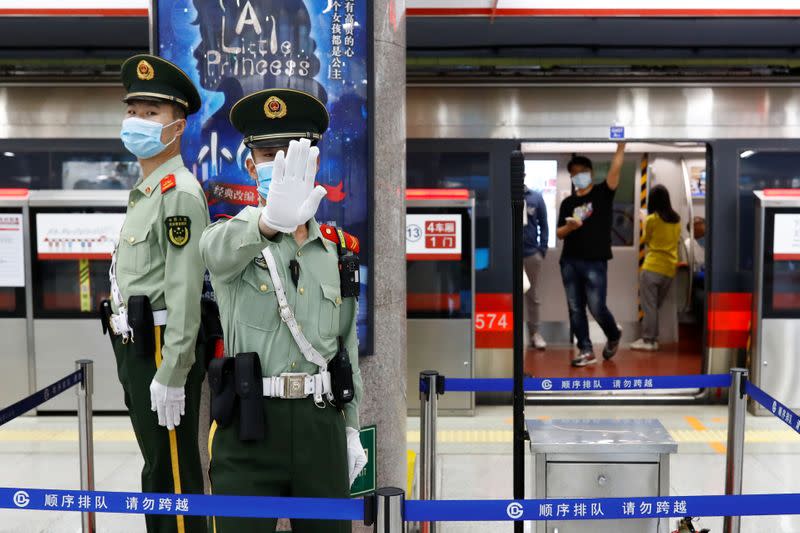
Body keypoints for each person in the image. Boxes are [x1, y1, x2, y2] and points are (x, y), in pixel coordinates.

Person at [200, 89, 366, 533]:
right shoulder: (232, 240)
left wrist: (351, 428)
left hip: (319, 424)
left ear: (313, 163)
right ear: (251, 166)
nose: (280, 163)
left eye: (293, 153)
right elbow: (212, 253)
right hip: (249, 425)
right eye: (269, 154)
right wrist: (270, 220)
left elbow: (344, 345)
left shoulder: (336, 251)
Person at [102, 54, 209, 533]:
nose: (136, 122)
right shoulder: (146, 189)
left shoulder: (177, 193)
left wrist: (173, 371)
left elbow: (185, 289)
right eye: (132, 111)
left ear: (177, 126)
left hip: (162, 348)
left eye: (151, 114)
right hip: (138, 346)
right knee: (155, 470)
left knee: (172, 474)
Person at [556, 143, 626, 367]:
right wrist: (571, 227)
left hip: (595, 262)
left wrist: (621, 146)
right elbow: (559, 233)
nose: (579, 177)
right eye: (574, 174)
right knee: (575, 308)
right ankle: (586, 350)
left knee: (597, 307)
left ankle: (613, 335)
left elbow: (615, 170)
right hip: (569, 261)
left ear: (591, 173)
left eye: (582, 173)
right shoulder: (568, 203)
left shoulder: (602, 193)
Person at [631, 185, 682, 351]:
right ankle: (652, 338)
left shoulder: (653, 219)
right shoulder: (676, 219)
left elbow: (646, 239)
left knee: (649, 306)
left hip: (653, 266)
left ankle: (648, 341)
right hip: (669, 269)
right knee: (655, 306)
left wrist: (643, 221)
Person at [523, 186, 549, 349]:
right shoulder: (505, 193)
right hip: (509, 255)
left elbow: (543, 224)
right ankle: (508, 333)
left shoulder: (536, 197)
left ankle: (535, 333)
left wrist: (542, 249)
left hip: (531, 254)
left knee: (532, 295)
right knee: (508, 297)